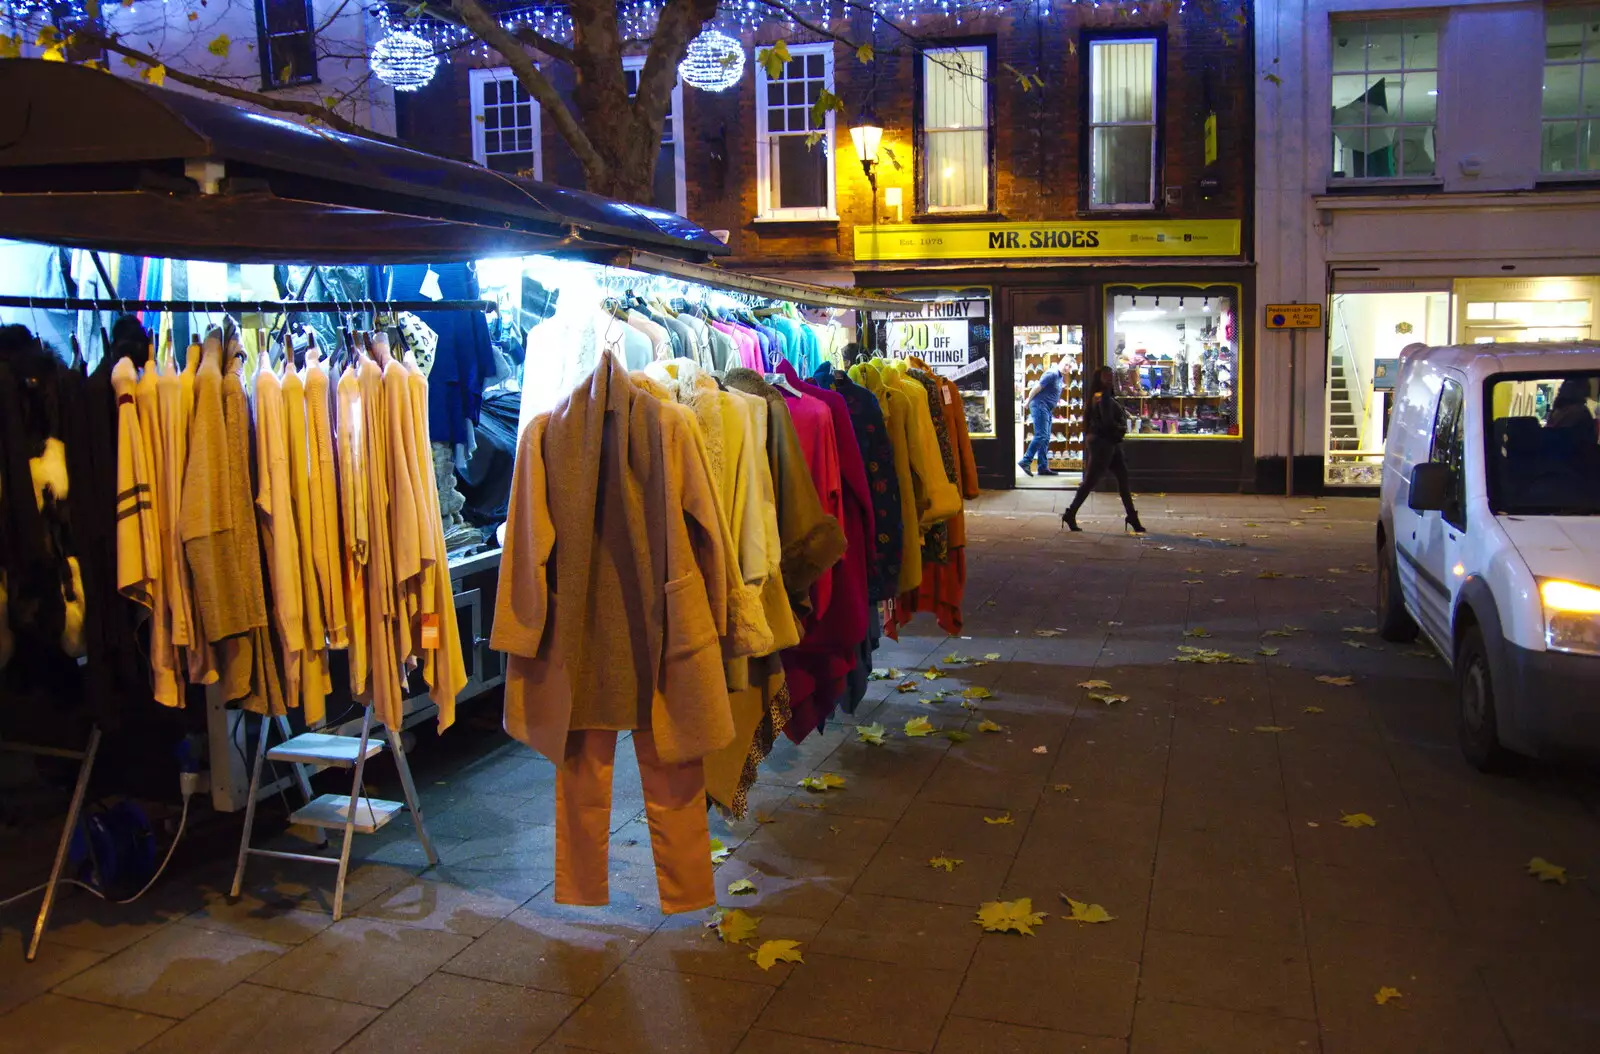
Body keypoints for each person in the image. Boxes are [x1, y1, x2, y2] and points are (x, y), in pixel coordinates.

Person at [1062, 365, 1145, 534]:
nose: (1109, 379)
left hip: (1108, 443)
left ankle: (1132, 517)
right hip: (1104, 443)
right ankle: (1070, 513)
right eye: (1106, 376)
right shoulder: (1102, 397)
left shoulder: (1100, 396)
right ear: (1099, 379)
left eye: (1110, 376)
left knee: (1122, 479)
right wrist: (1120, 428)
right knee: (1092, 481)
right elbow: (1107, 422)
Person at [1018, 352, 1070, 476]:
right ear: (1061, 362)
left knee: (1046, 438)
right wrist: (1027, 402)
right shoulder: (1051, 374)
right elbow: (1036, 388)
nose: (1067, 367)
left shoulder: (1060, 376)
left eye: (1069, 366)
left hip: (1046, 408)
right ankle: (1026, 461)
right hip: (1040, 406)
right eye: (1066, 364)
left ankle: (1042, 467)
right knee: (1041, 435)